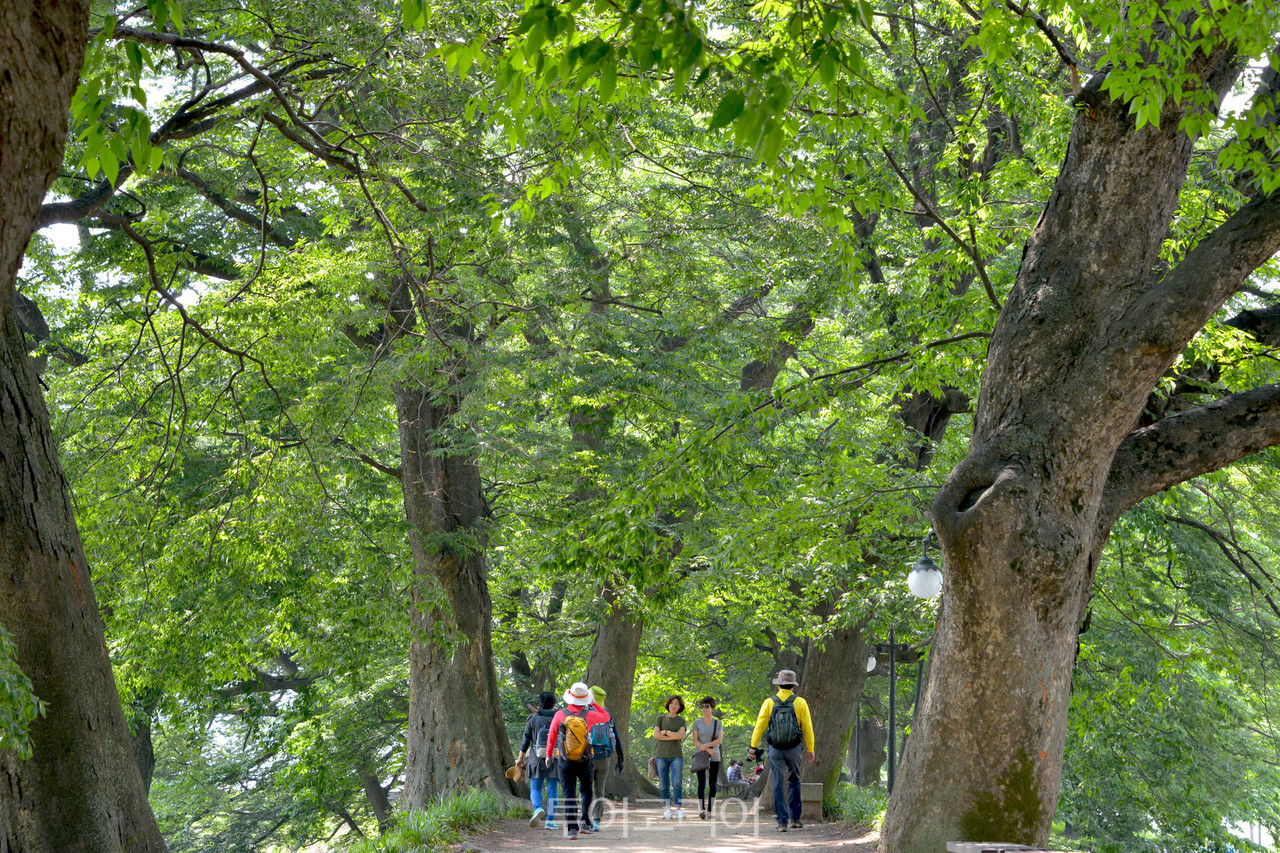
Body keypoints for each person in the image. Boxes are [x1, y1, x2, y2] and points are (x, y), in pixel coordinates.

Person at [748, 668, 815, 832]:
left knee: (778, 782)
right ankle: (796, 819)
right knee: (794, 780)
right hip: (794, 749)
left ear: (779, 685)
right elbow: (807, 727)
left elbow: (760, 726)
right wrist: (810, 748)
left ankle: (782, 822)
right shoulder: (800, 702)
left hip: (775, 749)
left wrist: (753, 747)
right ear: (793, 686)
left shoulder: (769, 702)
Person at [546, 682, 610, 840]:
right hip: (585, 758)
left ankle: (572, 829)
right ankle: (584, 821)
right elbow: (606, 717)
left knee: (569, 792)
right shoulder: (589, 715)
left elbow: (552, 736)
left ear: (570, 697)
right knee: (586, 790)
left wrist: (549, 755)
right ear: (585, 699)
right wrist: (594, 703)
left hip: (564, 759)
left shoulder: (560, 714)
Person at [517, 691, 559, 829]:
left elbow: (525, 740)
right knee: (553, 789)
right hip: (554, 758)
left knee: (535, 787)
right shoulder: (560, 719)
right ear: (553, 704)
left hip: (536, 758)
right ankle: (550, 821)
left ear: (539, 704)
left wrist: (520, 758)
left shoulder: (533, 719)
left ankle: (537, 809)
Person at [585, 685, 625, 831]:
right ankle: (597, 821)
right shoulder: (607, 715)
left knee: (586, 789)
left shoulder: (586, 713)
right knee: (599, 790)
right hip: (605, 757)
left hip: (587, 757)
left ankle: (585, 819)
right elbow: (617, 739)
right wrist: (621, 759)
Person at [652, 694, 687, 820]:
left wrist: (665, 732)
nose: (674, 705)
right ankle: (667, 810)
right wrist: (673, 735)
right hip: (661, 756)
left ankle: (678, 809)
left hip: (676, 755)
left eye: (676, 704)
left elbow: (680, 736)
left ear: (680, 707)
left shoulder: (681, 720)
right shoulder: (660, 719)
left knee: (677, 782)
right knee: (664, 784)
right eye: (672, 703)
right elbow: (656, 735)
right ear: (668, 705)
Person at [689, 696, 723, 819]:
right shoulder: (697, 722)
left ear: (712, 708)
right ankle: (701, 809)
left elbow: (719, 740)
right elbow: (695, 740)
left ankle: (710, 810)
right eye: (702, 706)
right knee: (701, 783)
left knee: (713, 783)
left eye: (707, 706)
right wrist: (706, 748)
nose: (704, 708)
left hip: (715, 755)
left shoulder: (718, 723)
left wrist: (708, 747)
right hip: (701, 755)